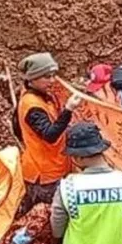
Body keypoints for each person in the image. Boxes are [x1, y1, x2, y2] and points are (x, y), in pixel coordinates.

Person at [16, 52, 81, 214]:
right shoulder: (32, 105)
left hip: (53, 169)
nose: (52, 81)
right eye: (46, 77)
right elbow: (50, 135)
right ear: (32, 79)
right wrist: (68, 110)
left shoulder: (45, 97)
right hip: (44, 177)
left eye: (53, 75)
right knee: (46, 222)